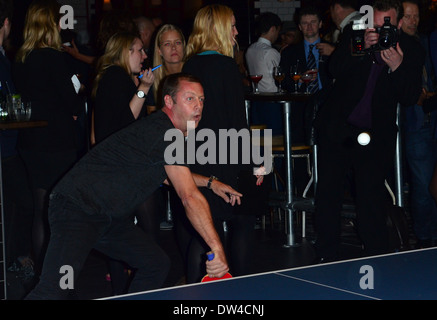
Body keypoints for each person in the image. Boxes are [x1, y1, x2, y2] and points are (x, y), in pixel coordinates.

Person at [24, 72, 241, 300]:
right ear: (169, 101)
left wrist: (210, 183)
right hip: (76, 210)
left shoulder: (165, 133)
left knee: (155, 264)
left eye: (201, 99)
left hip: (106, 217)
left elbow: (169, 175)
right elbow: (188, 196)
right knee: (56, 287)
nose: (198, 106)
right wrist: (216, 248)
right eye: (190, 99)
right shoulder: (165, 134)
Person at [312, 0, 424, 262]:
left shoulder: (410, 49)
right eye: (374, 24)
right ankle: (325, 256)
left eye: (385, 24)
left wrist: (397, 65)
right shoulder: (356, 35)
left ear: (396, 23)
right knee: (328, 194)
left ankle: (376, 256)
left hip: (375, 135)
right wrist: (360, 45)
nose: (379, 29)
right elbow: (334, 68)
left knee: (370, 197)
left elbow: (409, 97)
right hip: (338, 129)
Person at [180, 4, 265, 283]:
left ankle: (194, 289)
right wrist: (256, 162)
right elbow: (238, 121)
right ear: (218, 28)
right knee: (242, 223)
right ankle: (241, 286)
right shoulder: (226, 66)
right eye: (232, 25)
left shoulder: (190, 64)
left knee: (206, 228)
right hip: (227, 154)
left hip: (197, 153)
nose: (237, 31)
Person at [12, 0, 85, 276]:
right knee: (59, 210)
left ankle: (44, 271)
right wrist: (77, 96)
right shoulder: (54, 58)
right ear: (51, 24)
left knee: (40, 207)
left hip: (30, 141)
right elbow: (73, 102)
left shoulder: (20, 58)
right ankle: (58, 273)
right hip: (57, 141)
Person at [0, 0, 34, 289]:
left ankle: (13, 256)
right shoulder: (2, 59)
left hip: (9, 144)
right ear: (7, 24)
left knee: (16, 203)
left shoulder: (5, 58)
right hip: (5, 146)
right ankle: (15, 257)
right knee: (22, 202)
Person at [400, 0, 437, 248]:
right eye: (408, 16)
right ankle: (425, 237)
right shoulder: (395, 45)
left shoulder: (425, 40)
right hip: (416, 121)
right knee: (423, 184)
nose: (413, 21)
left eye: (415, 16)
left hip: (432, 117)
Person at [146, 23, 186, 113]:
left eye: (178, 42)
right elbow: (152, 119)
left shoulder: (194, 71)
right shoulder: (153, 80)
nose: (173, 47)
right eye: (167, 44)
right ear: (159, 50)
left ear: (184, 46)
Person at [245, 12, 282, 93]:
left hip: (256, 97)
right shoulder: (270, 51)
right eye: (278, 31)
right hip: (271, 98)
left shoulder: (250, 49)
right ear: (273, 29)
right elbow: (277, 79)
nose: (277, 35)